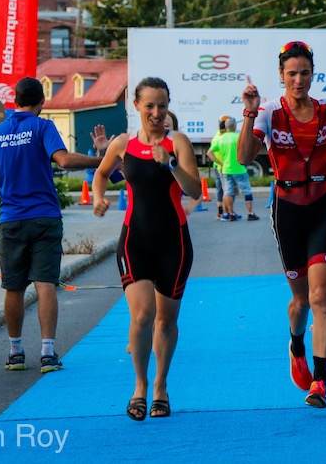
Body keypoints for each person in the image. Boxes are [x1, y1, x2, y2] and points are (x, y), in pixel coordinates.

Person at [238, 41, 326, 408]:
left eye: (305, 72)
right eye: (292, 73)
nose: (299, 79)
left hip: (321, 207)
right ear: (281, 76)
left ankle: (320, 381)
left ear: (312, 74)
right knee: (300, 301)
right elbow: (243, 157)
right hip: (286, 211)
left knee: (321, 296)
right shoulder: (270, 112)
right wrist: (250, 115)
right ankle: (296, 344)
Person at [92, 77, 201, 421]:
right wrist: (98, 197)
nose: (156, 112)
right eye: (150, 105)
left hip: (174, 243)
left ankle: (160, 387)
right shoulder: (123, 143)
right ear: (136, 105)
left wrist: (169, 163)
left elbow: (194, 189)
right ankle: (139, 386)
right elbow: (101, 174)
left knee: (166, 321)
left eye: (162, 105)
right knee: (142, 316)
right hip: (134, 240)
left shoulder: (178, 142)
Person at [0, 77, 109, 374]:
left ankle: (15, 352)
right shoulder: (42, 127)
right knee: (44, 284)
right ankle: (48, 354)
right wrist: (100, 162)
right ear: (42, 102)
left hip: (11, 219)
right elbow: (64, 161)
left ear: (15, 101)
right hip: (44, 217)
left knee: (13, 287)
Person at [207, 117, 259, 221]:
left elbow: (209, 153)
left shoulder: (220, 139)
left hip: (226, 169)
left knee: (228, 191)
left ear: (226, 127)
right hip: (239, 168)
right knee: (246, 191)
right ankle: (250, 213)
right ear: (235, 126)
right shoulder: (238, 137)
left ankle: (231, 214)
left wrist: (220, 163)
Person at [209, 116, 231, 219]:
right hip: (221, 167)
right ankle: (226, 212)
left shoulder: (216, 137)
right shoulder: (222, 138)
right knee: (226, 190)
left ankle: (220, 211)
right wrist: (221, 163)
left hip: (216, 166)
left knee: (220, 190)